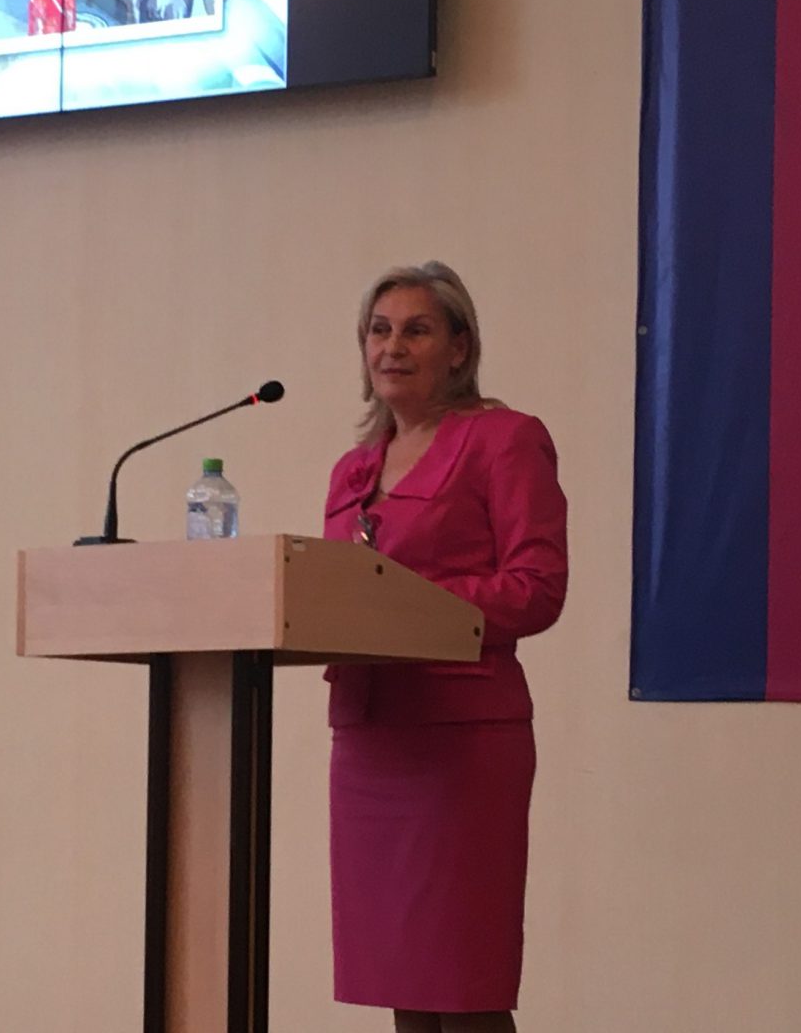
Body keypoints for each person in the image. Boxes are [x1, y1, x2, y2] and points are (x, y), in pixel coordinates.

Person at [318, 262, 568, 1033]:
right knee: (406, 986)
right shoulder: (353, 470)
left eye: (416, 330)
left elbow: (537, 588)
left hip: (462, 742)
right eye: (379, 331)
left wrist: (417, 603)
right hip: (372, 741)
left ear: (460, 348)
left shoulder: (503, 440)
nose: (392, 347)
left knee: (464, 987)